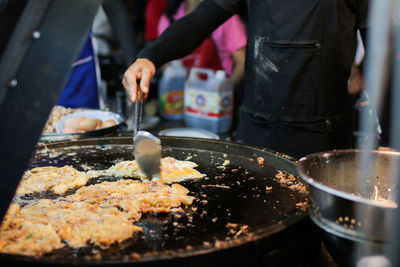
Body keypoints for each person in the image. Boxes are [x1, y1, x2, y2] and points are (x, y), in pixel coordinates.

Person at [122, 0, 369, 159]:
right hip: (255, 139)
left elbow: (384, 51)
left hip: (322, 145)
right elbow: (199, 21)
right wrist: (151, 57)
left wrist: (390, 139)